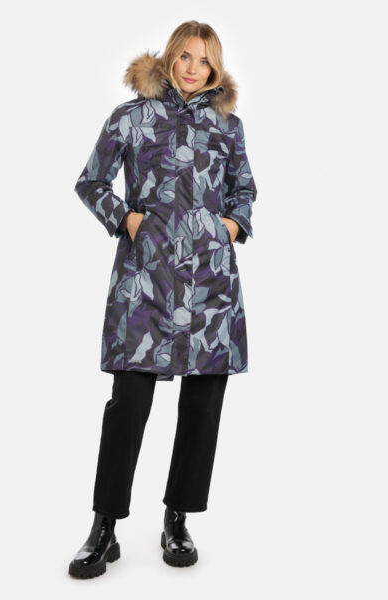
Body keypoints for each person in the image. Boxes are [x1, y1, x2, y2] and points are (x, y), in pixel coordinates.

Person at [68, 20, 257, 579]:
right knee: (128, 404)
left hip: (209, 288)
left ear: (215, 67)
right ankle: (104, 526)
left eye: (205, 59)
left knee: (203, 405)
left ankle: (178, 518)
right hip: (145, 282)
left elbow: (244, 190)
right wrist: (128, 219)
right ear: (171, 57)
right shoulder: (131, 117)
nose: (194, 68)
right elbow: (91, 182)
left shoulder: (228, 126)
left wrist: (229, 227)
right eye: (186, 56)